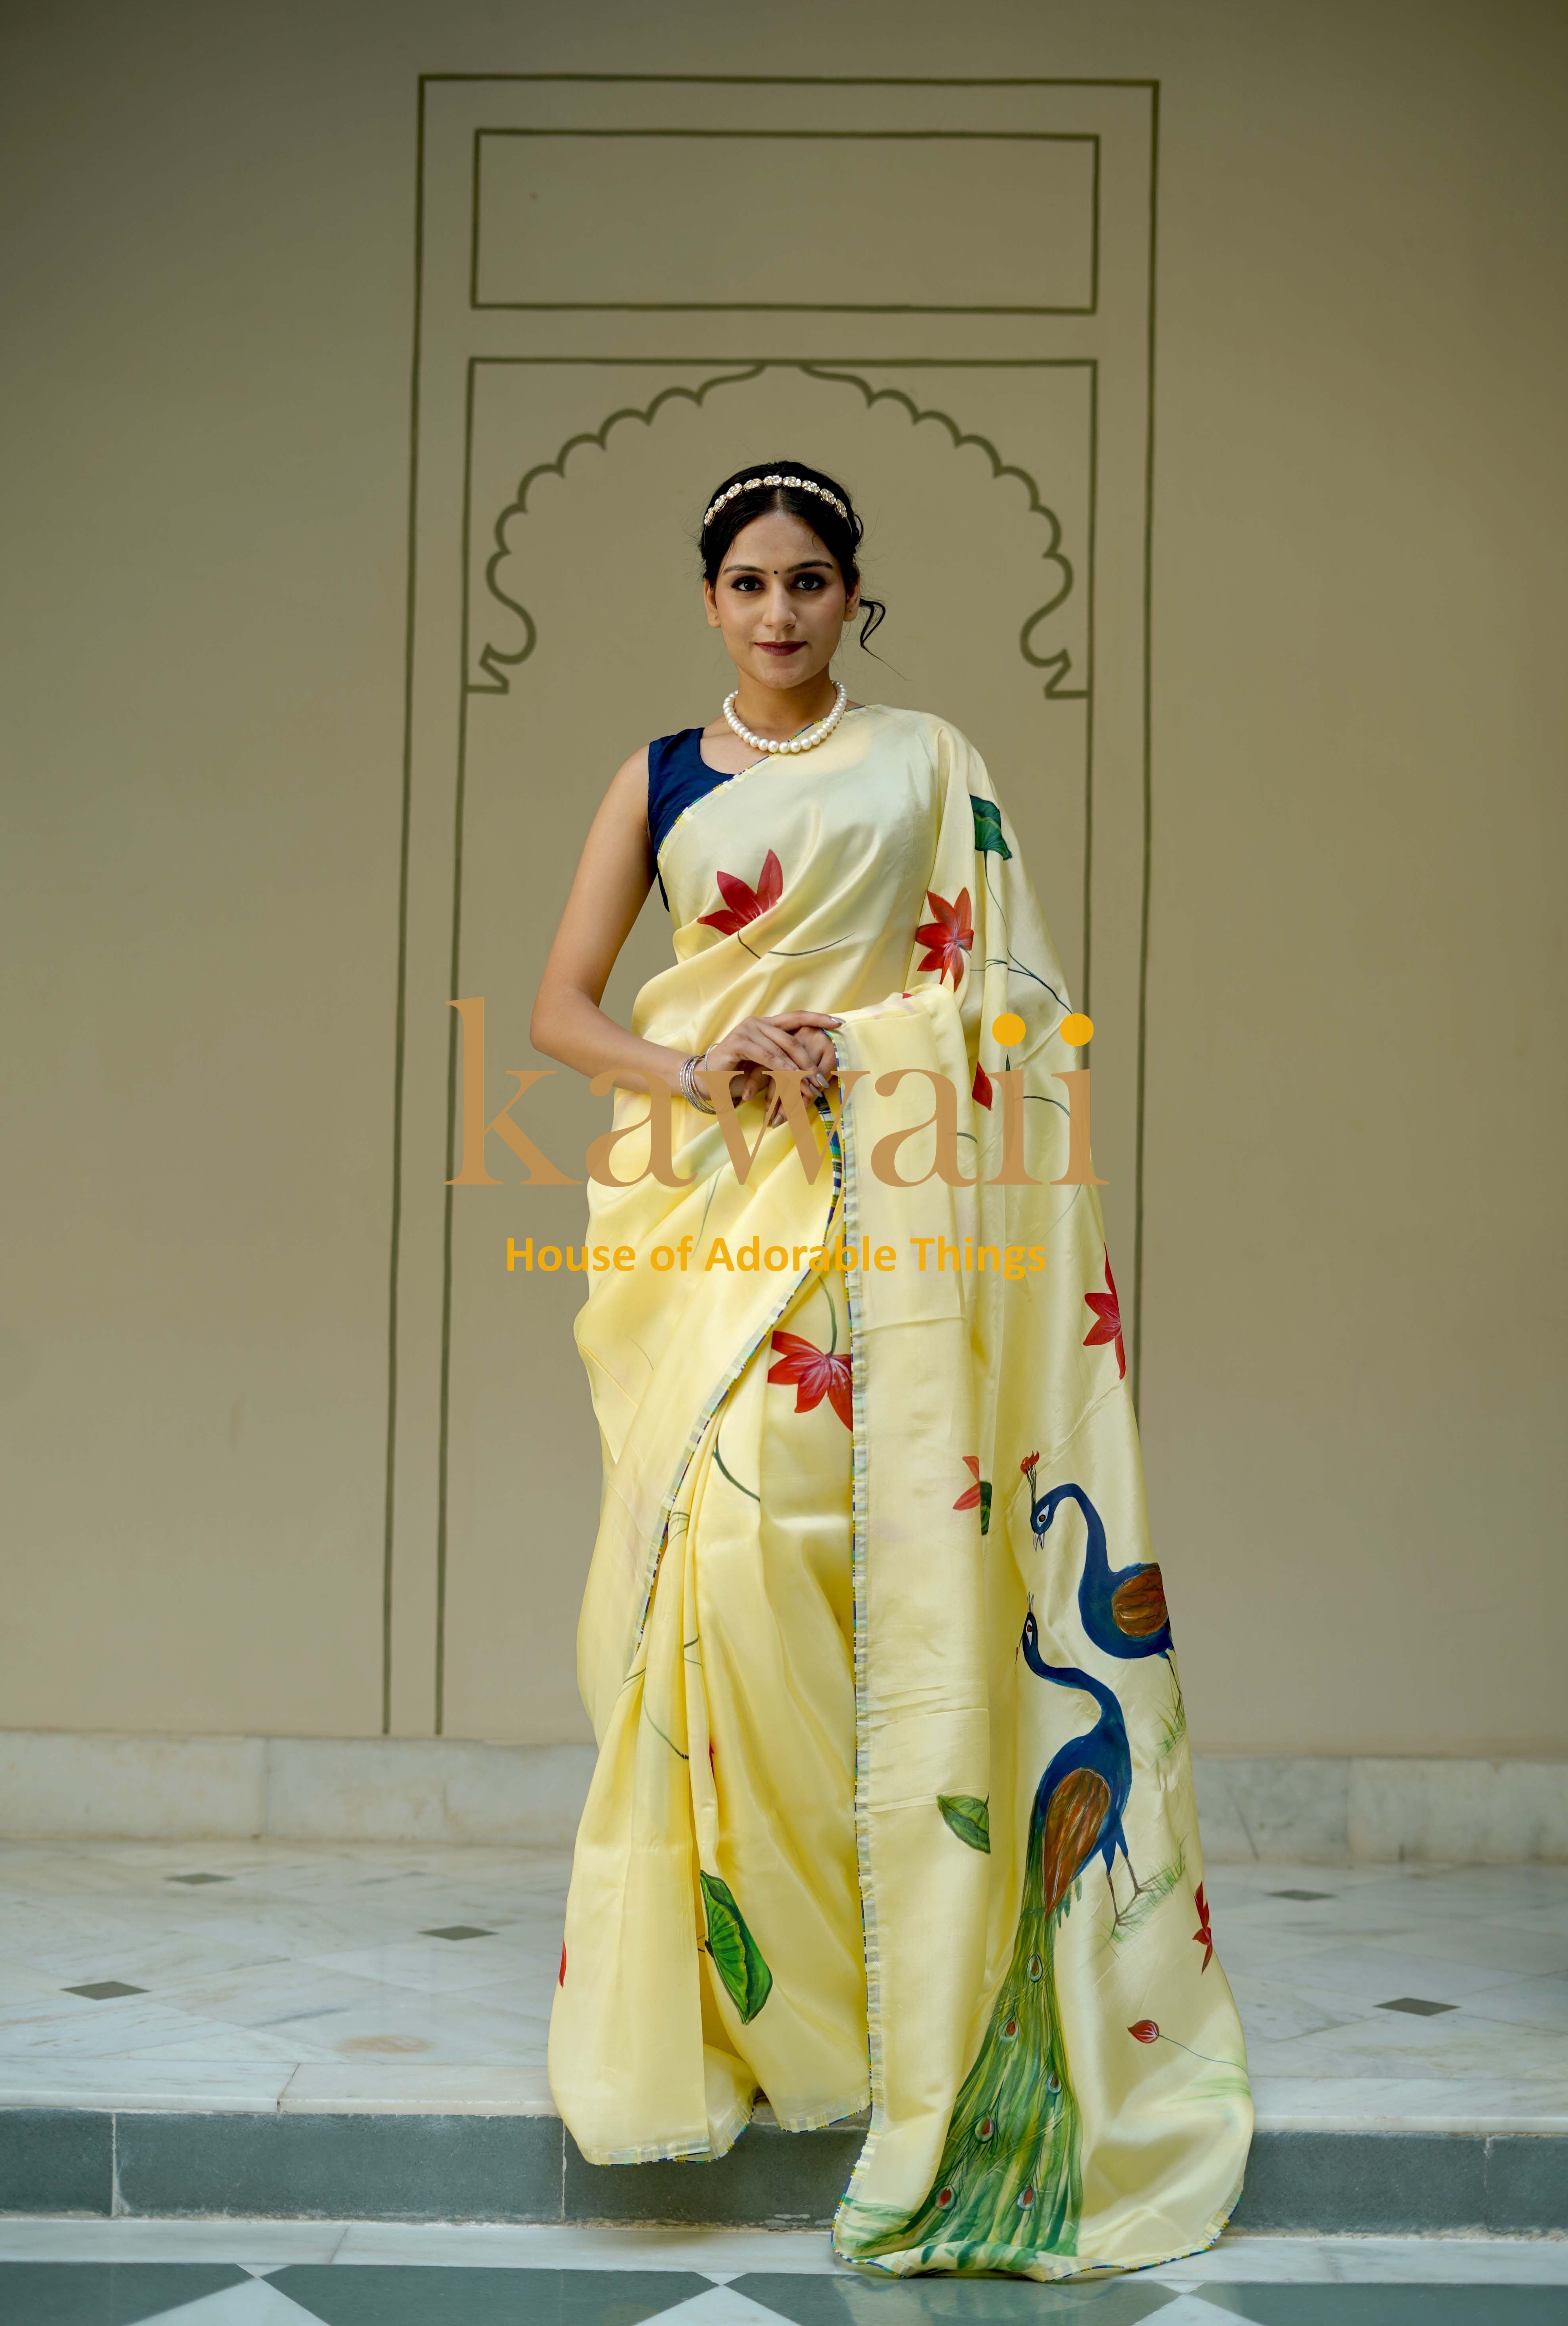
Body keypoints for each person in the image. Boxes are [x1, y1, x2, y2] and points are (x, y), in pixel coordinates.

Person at [531, 459, 1251, 2279]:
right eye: (750, 584)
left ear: (856, 598)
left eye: (813, 582)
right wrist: (696, 1074)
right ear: (709, 602)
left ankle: (905, 2010)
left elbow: (1015, 1002)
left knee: (900, 1578)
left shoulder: (935, 764)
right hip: (716, 1217)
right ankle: (760, 2023)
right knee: (726, 1577)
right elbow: (561, 1009)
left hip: (905, 1226)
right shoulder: (658, 776)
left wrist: (863, 1045)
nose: (780, 612)